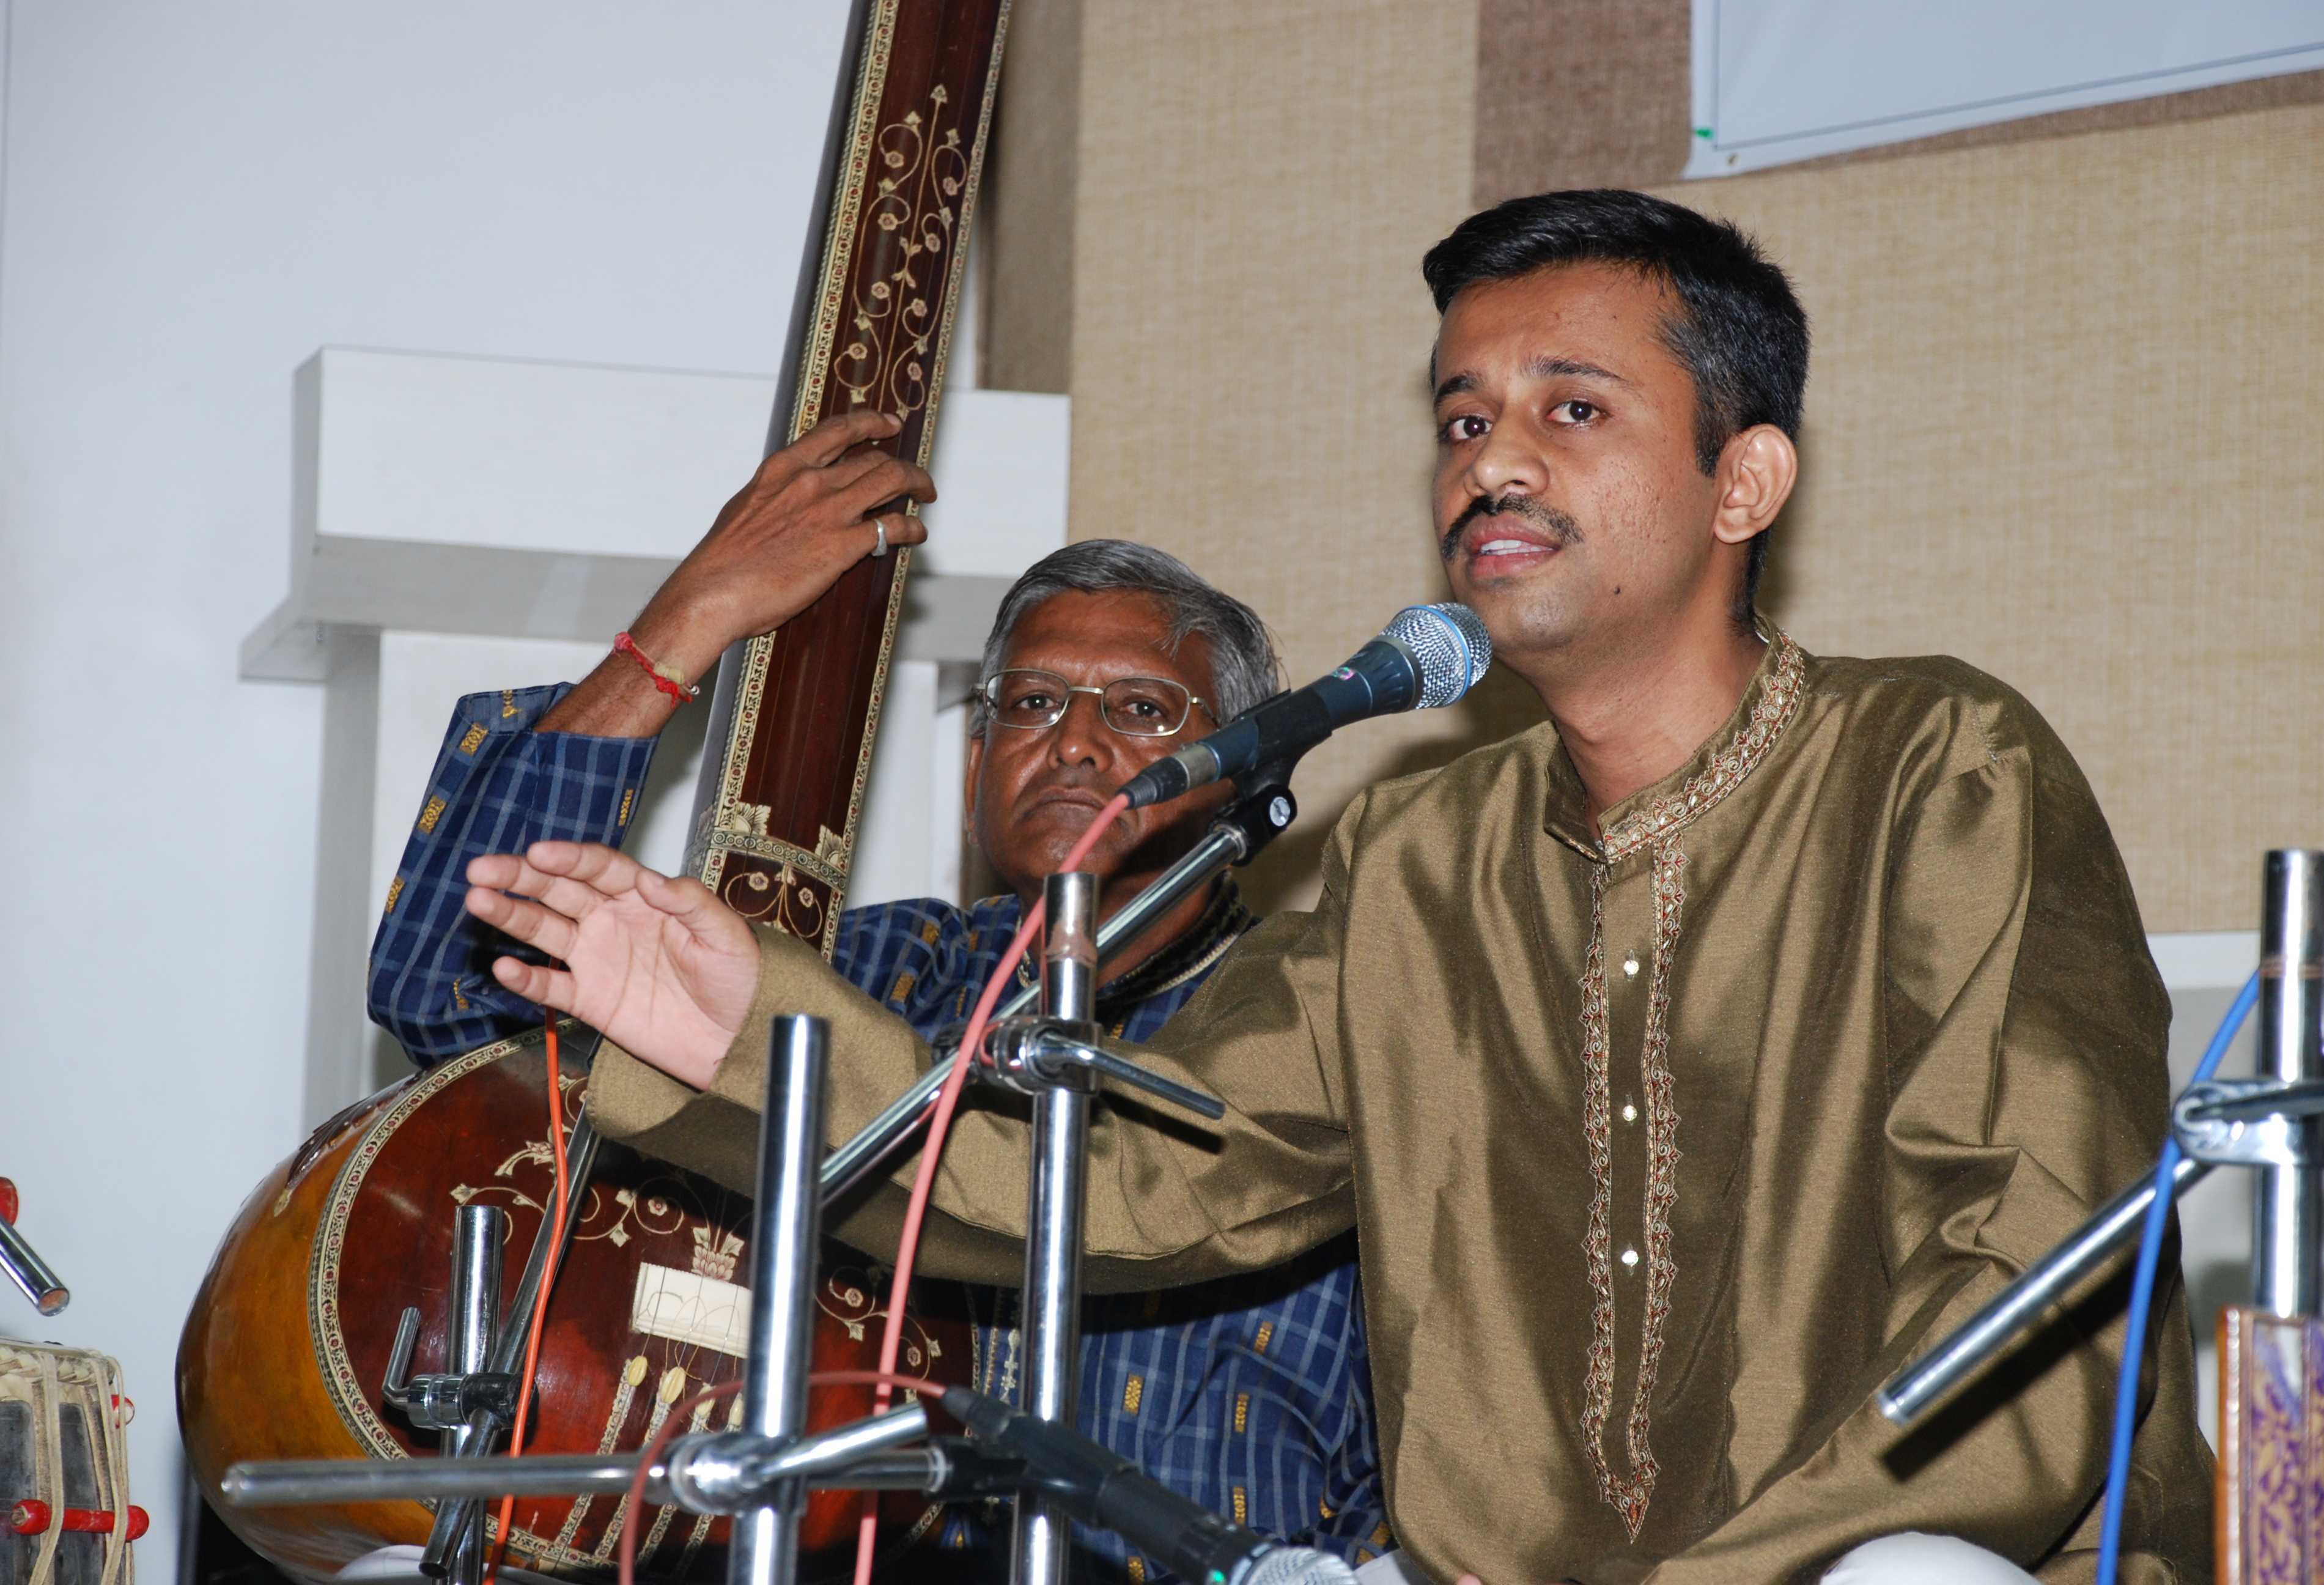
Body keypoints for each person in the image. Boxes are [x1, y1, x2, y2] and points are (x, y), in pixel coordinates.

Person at [461, 191, 2215, 1583]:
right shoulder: (1408, 856)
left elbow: (2039, 1286)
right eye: (1464, 416)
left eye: (1572, 409)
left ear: (1744, 477)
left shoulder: (1940, 766)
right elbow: (1135, 1179)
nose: (1492, 461)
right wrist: (749, 1035)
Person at [364, 428, 1392, 1581]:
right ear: (973, 773)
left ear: (1245, 783)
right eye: (1033, 702)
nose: (1079, 744)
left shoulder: (1320, 1028)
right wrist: (691, 617)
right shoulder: (878, 975)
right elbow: (452, 999)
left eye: (1146, 710)